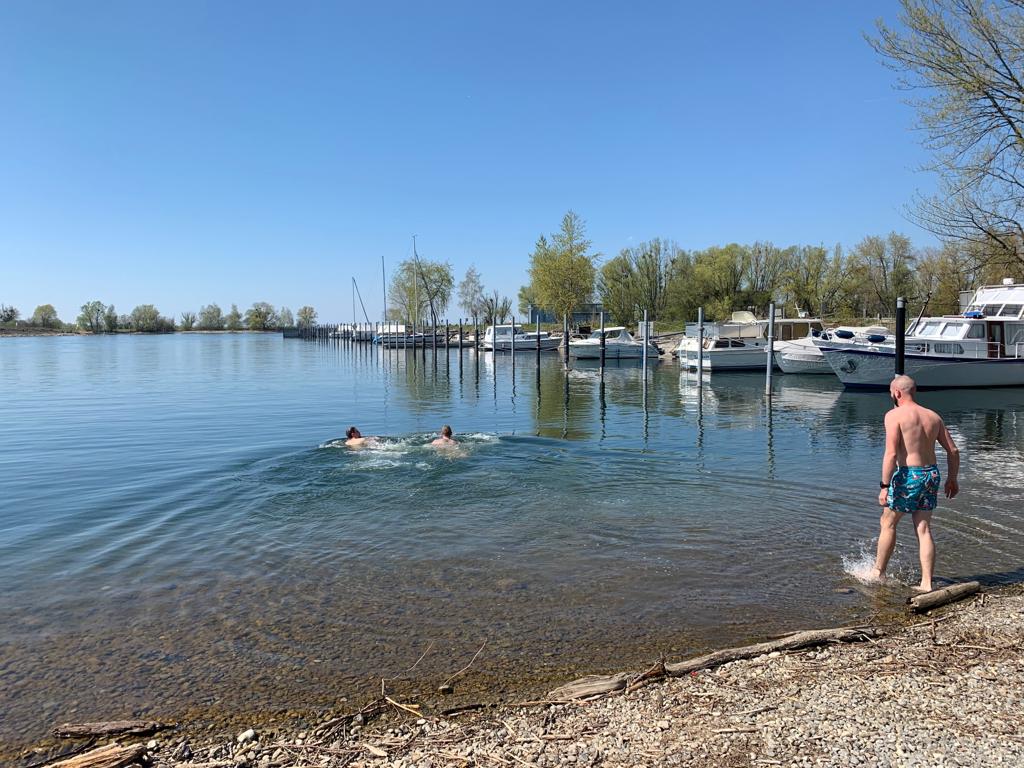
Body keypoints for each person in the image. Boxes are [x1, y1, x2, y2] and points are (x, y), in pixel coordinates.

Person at [869, 375, 960, 592]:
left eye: (891, 392)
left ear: (897, 393)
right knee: (923, 528)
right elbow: (953, 450)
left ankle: (878, 573)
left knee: (888, 522)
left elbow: (891, 454)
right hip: (931, 474)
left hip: (909, 474)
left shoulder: (894, 415)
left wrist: (884, 487)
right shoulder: (933, 416)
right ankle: (926, 583)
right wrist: (952, 478)